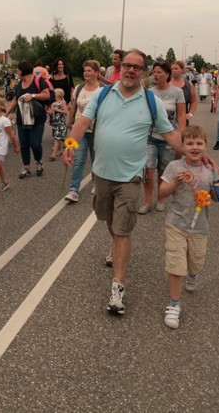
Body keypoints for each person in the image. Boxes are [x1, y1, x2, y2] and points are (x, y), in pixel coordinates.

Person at [63, 49, 185, 317]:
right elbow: (83, 123)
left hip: (130, 177)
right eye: (127, 65)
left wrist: (194, 155)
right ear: (121, 68)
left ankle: (117, 289)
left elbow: (170, 134)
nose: (130, 70)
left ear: (144, 72)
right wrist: (70, 144)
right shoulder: (103, 94)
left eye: (136, 67)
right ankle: (116, 247)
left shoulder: (151, 102)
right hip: (102, 174)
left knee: (122, 231)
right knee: (109, 221)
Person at [158, 125, 219, 329]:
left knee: (195, 262)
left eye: (199, 143)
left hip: (200, 227)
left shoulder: (210, 170)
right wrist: (174, 183)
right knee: (176, 265)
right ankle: (174, 304)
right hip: (176, 223)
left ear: (205, 146)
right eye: (189, 143)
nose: (194, 147)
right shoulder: (174, 167)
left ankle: (194, 274)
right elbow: (161, 193)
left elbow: (217, 198)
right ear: (182, 147)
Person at [140, 60, 184, 214]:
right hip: (150, 136)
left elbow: (181, 116)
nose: (156, 75)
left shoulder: (177, 92)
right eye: (154, 72)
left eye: (159, 72)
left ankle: (161, 199)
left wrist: (182, 136)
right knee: (148, 169)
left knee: (163, 170)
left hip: (169, 138)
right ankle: (147, 201)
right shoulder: (149, 93)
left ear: (167, 74)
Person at [64, 60, 102, 204]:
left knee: (96, 160)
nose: (86, 73)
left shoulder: (102, 89)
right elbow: (74, 106)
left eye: (89, 70)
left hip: (97, 130)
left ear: (97, 73)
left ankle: (97, 184)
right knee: (78, 160)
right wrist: (70, 122)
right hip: (80, 130)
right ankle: (73, 190)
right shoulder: (79, 88)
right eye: (85, 70)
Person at [6, 61, 50, 179]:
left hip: (37, 118)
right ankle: (26, 167)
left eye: (18, 69)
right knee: (24, 144)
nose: (17, 71)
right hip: (22, 118)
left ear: (23, 70)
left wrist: (33, 95)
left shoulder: (38, 81)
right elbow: (15, 99)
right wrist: (6, 113)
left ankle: (39, 162)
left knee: (35, 143)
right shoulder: (20, 83)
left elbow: (46, 95)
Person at [169, 60, 197, 129]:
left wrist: (190, 113)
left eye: (176, 68)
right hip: (169, 120)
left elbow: (194, 101)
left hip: (183, 119)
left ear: (182, 70)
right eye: (172, 69)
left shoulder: (188, 84)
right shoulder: (167, 84)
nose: (173, 70)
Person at [48, 88, 68, 160]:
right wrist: (46, 111)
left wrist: (57, 110)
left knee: (57, 138)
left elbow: (65, 112)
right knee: (58, 137)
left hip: (61, 122)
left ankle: (54, 154)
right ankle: (61, 150)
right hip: (55, 123)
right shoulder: (53, 103)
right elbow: (51, 112)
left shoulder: (62, 102)